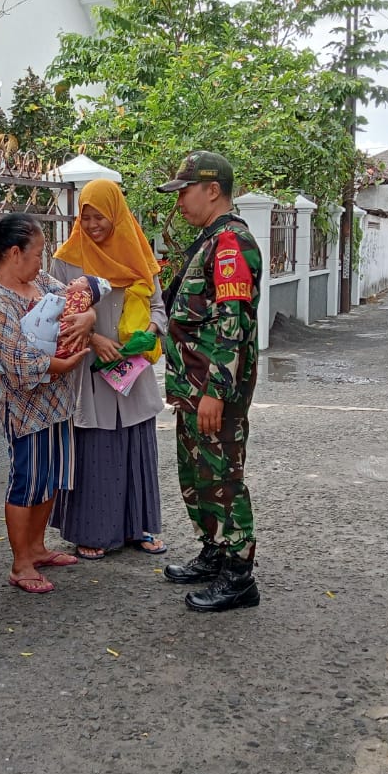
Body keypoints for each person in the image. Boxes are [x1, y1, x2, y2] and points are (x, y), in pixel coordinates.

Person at [155, 151, 262, 613]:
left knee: (222, 478)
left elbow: (230, 322)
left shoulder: (230, 244)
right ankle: (214, 551)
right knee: (198, 476)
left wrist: (216, 391)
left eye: (185, 190)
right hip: (192, 388)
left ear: (212, 190)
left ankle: (239, 575)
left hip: (213, 391)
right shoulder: (209, 240)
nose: (179, 200)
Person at [49, 179, 168, 560]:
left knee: (136, 446)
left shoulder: (139, 253)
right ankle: (93, 531)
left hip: (133, 371)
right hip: (89, 371)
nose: (94, 223)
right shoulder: (66, 260)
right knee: (97, 450)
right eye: (86, 216)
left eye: (100, 215)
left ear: (116, 212)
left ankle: (141, 527)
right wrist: (95, 340)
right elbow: (58, 315)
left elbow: (160, 309)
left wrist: (147, 333)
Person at [0, 213, 93, 594]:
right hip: (24, 409)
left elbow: (76, 299)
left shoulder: (39, 282)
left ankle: (38, 547)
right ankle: (20, 562)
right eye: (38, 253)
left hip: (56, 403)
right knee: (27, 482)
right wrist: (63, 363)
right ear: (14, 253)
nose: (43, 262)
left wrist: (88, 314)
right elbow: (19, 364)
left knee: (52, 477)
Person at [0, 273, 111, 378]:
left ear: (88, 290)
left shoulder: (78, 297)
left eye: (79, 281)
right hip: (56, 347)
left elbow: (65, 311)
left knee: (38, 347)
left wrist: (90, 315)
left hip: (58, 340)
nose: (73, 280)